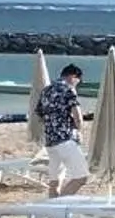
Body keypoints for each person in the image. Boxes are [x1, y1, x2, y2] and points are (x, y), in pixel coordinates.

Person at [38, 63, 91, 196]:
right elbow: (77, 115)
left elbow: (39, 115)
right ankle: (60, 206)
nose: (76, 85)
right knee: (81, 177)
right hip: (65, 138)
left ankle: (54, 214)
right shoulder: (68, 89)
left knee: (55, 181)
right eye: (77, 81)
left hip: (50, 141)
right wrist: (79, 131)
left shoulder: (46, 90)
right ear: (73, 76)